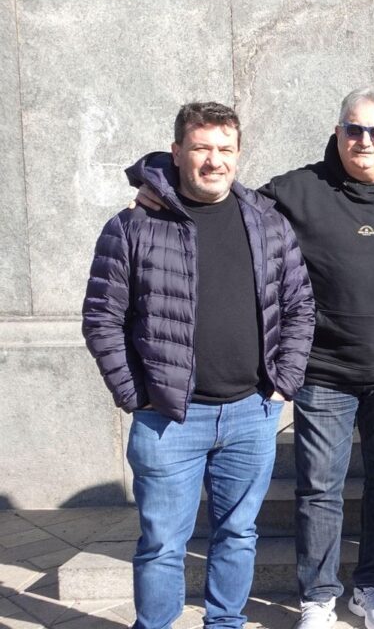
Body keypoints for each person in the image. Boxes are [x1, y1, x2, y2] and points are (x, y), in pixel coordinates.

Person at [132, 87, 374, 629]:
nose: (364, 142)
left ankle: (370, 586)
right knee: (320, 488)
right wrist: (152, 181)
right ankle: (319, 596)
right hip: (322, 375)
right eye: (354, 129)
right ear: (337, 131)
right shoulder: (295, 190)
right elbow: (215, 186)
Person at [83, 101, 315, 628]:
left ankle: (225, 623)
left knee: (238, 535)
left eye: (225, 149)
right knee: (164, 542)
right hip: (169, 419)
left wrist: (285, 382)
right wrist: (135, 393)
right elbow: (102, 318)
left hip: (251, 413)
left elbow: (300, 303)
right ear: (177, 152)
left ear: (239, 154)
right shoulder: (133, 226)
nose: (215, 161)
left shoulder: (266, 221)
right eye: (202, 148)